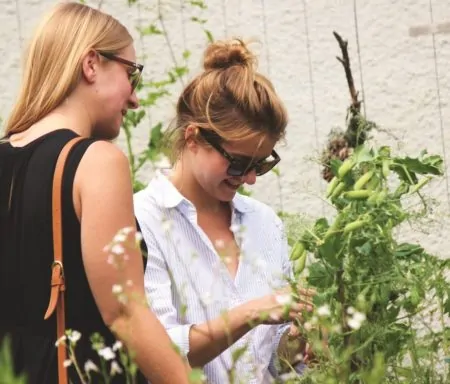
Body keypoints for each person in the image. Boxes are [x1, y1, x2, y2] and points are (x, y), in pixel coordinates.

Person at [0, 3, 190, 384]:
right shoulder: (97, 162)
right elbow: (125, 313)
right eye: (131, 74)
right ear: (91, 65)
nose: (135, 98)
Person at [134, 38, 314, 383]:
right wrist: (255, 311)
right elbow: (158, 351)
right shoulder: (141, 220)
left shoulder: (264, 222)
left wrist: (298, 342)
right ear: (193, 138)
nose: (249, 178)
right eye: (238, 163)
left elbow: (274, 364)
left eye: (261, 165)